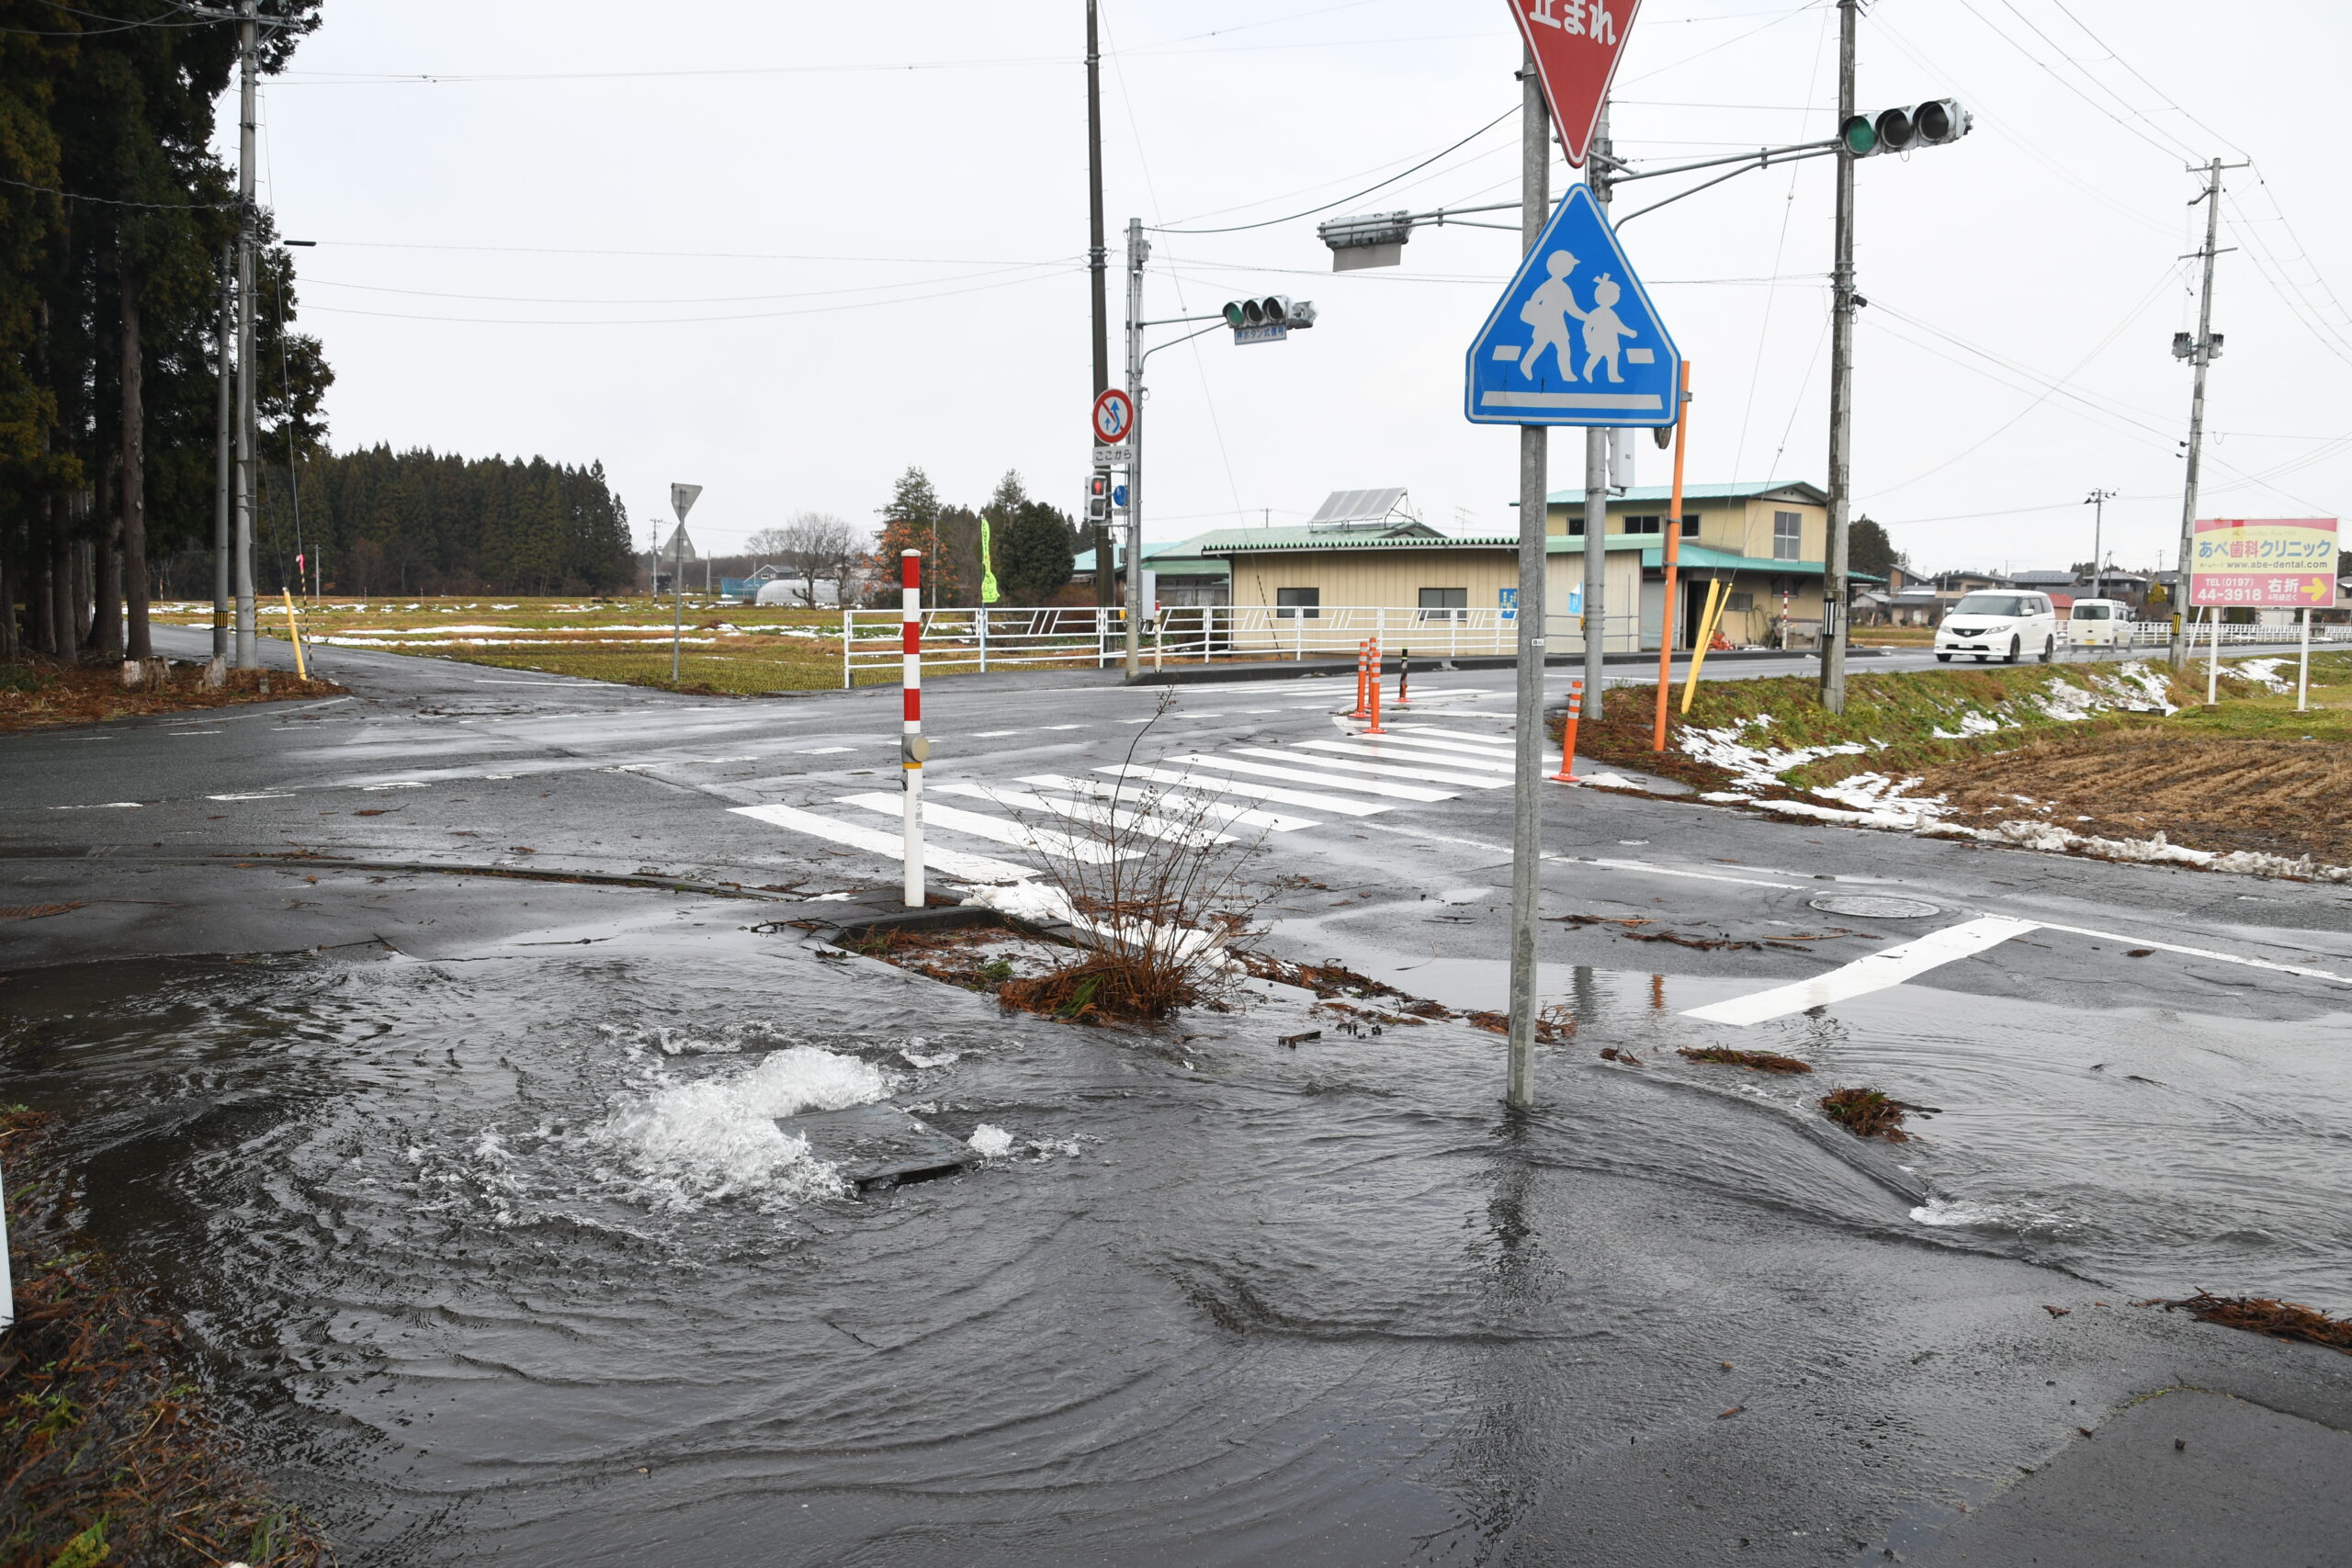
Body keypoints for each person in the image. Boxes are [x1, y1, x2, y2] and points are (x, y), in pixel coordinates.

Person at [1518, 249, 1582, 382]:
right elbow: (1572, 309)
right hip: (1547, 323)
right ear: (1564, 268)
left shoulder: (1560, 287)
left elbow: (1572, 309)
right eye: (1570, 266)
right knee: (1544, 347)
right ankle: (1526, 365)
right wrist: (1588, 317)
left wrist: (1587, 317)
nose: (1570, 269)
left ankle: (1566, 374)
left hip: (1556, 324)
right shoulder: (1550, 286)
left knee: (1562, 349)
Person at [1575, 274, 1638, 384]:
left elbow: (1618, 326)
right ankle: (1587, 371)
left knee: (1613, 356)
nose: (1617, 297)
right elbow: (1586, 328)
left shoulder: (1611, 313)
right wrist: (1588, 340)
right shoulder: (1595, 313)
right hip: (1598, 340)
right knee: (1596, 356)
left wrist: (1629, 333)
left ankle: (1613, 376)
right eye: (1615, 295)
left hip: (1611, 341)